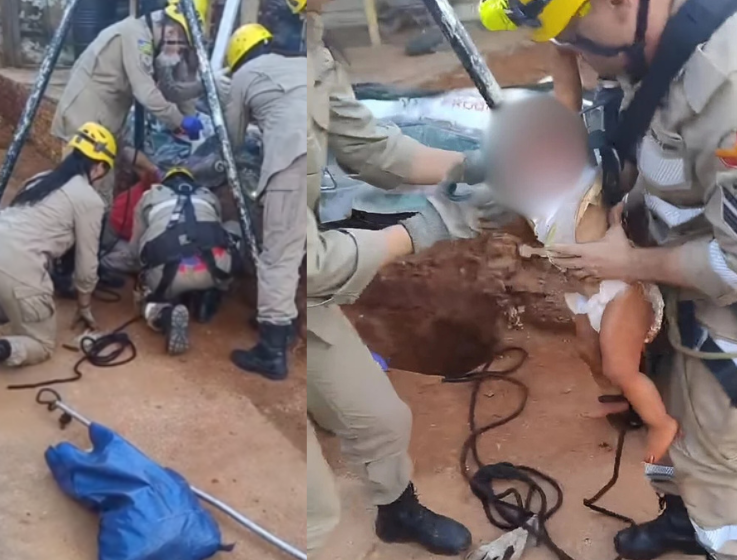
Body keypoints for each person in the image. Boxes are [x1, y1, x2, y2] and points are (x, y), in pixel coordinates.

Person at [478, 0, 737, 558]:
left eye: (575, 28)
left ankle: (720, 535)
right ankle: (682, 518)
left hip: (719, 314)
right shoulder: (648, 60)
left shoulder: (730, 91)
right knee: (660, 419)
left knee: (718, 462)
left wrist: (627, 267)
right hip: (660, 279)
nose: (580, 51)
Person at [306, 0, 514, 555]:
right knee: (310, 503)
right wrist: (428, 224)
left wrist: (466, 166)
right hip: (272, 284)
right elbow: (310, 266)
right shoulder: (254, 87)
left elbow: (370, 148)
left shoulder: (308, 50)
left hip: (303, 288)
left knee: (382, 419)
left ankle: (395, 513)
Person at [487, 94, 673, 463]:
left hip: (619, 291)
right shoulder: (532, 201)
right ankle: (623, 401)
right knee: (588, 353)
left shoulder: (582, 181)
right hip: (584, 295)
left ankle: (661, 422)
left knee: (618, 366)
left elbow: (568, 103)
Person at [0, 123, 116, 398]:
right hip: (13, 266)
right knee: (43, 343)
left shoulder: (41, 179)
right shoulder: (89, 200)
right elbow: (87, 264)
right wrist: (84, 305)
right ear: (98, 167)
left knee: (20, 295)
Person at [51, 0, 208, 201]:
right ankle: (79, 230)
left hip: (105, 117)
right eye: (182, 44)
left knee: (100, 188)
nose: (180, 53)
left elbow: (170, 90)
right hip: (86, 117)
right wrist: (180, 121)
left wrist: (201, 88)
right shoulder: (137, 37)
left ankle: (94, 228)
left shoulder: (151, 42)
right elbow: (147, 93)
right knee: (87, 191)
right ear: (171, 32)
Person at [219, 23, 306, 381]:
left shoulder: (244, 77)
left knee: (277, 254)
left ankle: (272, 350)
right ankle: (287, 319)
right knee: (303, 244)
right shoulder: (299, 63)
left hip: (293, 160)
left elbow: (232, 139)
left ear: (238, 59)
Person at [130, 167, 240, 355]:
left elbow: (134, 251)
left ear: (164, 182)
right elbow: (218, 233)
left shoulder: (150, 196)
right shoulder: (208, 195)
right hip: (215, 268)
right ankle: (212, 295)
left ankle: (164, 314)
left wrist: (143, 278)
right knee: (232, 228)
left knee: (145, 298)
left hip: (167, 274)